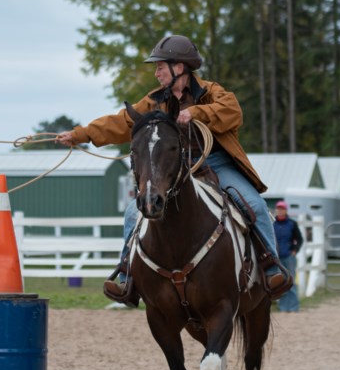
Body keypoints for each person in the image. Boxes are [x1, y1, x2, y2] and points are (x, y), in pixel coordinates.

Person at [55, 34, 291, 304]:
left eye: (160, 66)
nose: (156, 73)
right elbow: (122, 123)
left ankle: (271, 267)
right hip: (174, 170)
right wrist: (79, 135)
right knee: (134, 212)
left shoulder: (212, 93)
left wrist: (197, 113)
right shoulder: (155, 102)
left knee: (253, 205)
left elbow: (232, 112)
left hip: (215, 163)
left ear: (179, 67)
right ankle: (127, 275)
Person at [273, 200, 303, 313]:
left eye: (282, 209)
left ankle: (294, 307)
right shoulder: (273, 224)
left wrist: (295, 251)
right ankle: (283, 307)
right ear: (276, 210)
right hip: (277, 259)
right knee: (281, 283)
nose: (280, 211)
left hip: (289, 257)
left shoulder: (292, 224)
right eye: (278, 209)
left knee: (291, 281)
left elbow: (299, 239)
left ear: (286, 211)